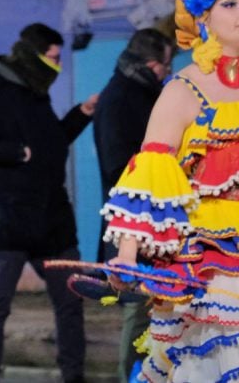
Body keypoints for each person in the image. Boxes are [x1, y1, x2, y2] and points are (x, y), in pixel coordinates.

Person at [105, 0, 239, 381]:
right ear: (203, 14)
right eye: (230, 3)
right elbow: (151, 176)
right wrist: (127, 254)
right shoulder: (184, 89)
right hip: (209, 266)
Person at [0, 22, 95, 383]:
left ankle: (74, 376)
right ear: (32, 55)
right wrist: (16, 152)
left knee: (71, 302)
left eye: (60, 58)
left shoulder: (36, 93)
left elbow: (51, 144)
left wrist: (81, 114)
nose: (57, 66)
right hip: (5, 221)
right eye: (52, 58)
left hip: (50, 221)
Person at [91, 27, 174, 382]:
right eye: (166, 67)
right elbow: (118, 166)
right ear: (153, 65)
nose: (168, 74)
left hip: (149, 218)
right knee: (139, 311)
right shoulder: (122, 98)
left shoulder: (134, 93)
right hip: (134, 220)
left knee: (152, 311)